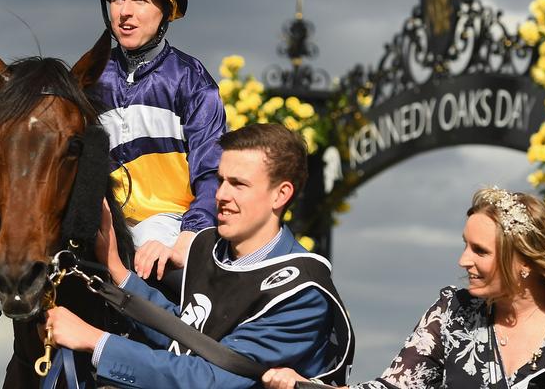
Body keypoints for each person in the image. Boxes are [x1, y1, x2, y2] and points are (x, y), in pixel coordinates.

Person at [46, 123, 355, 388]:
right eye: (221, 180)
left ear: (281, 194)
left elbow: (210, 378)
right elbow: (187, 338)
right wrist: (118, 272)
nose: (221, 195)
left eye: (238, 184)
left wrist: (95, 341)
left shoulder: (302, 292)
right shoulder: (209, 246)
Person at [262, 187, 545, 389]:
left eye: (480, 251)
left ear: (522, 261)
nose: (463, 260)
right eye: (465, 245)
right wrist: (303, 386)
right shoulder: (452, 313)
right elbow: (391, 387)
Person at [89, 0, 226, 281]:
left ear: (166, 9)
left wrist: (189, 236)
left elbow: (212, 173)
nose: (125, 11)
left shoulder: (192, 80)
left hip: (167, 224)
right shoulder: (91, 77)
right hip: (99, 219)